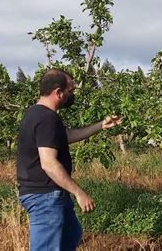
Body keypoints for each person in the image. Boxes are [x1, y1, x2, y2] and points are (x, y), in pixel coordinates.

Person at [17, 69, 122, 251]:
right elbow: (49, 164)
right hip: (44, 196)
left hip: (51, 192)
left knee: (71, 234)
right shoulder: (46, 118)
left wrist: (100, 125)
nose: (71, 96)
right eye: (70, 91)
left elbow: (66, 136)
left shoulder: (37, 114)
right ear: (58, 92)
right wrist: (79, 193)